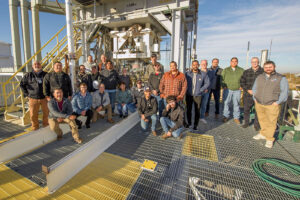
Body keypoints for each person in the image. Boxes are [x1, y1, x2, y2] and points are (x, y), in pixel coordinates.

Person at [252, 61, 289, 148]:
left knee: (271, 122)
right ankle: (263, 134)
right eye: (266, 67)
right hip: (259, 103)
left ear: (274, 67)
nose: (268, 69)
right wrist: (255, 98)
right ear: (264, 68)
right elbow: (254, 88)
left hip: (272, 104)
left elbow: (285, 92)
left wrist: (278, 102)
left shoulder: (280, 78)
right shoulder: (260, 77)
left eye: (270, 67)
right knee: (262, 120)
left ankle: (269, 139)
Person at [20, 61, 49, 130]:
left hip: (44, 98)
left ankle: (46, 125)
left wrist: (49, 95)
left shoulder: (46, 74)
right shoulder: (28, 75)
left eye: (38, 64)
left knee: (46, 113)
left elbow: (50, 85)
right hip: (33, 98)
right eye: (35, 64)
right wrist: (27, 94)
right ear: (32, 66)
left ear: (41, 66)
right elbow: (22, 85)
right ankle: (35, 127)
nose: (37, 65)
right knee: (33, 114)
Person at [185, 60, 210, 129]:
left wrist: (201, 90)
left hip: (198, 95)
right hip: (189, 95)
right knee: (189, 110)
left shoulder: (203, 74)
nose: (195, 66)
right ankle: (189, 123)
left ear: (198, 65)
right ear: (192, 66)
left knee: (197, 110)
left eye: (196, 65)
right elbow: (184, 82)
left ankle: (195, 125)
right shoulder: (187, 74)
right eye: (193, 65)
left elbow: (207, 83)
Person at [240, 57, 264, 129]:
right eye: (253, 62)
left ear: (258, 62)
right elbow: (242, 82)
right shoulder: (246, 71)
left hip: (259, 95)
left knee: (258, 110)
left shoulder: (263, 72)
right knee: (246, 109)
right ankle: (246, 123)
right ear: (251, 62)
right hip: (248, 94)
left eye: (256, 62)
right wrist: (248, 90)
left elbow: (265, 83)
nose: (254, 63)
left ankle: (256, 125)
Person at [221, 57, 244, 124]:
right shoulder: (226, 70)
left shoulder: (241, 70)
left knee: (236, 104)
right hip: (228, 89)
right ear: (230, 62)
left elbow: (244, 79)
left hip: (237, 90)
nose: (234, 62)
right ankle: (226, 116)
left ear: (237, 62)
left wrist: (242, 85)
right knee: (226, 103)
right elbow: (222, 78)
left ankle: (236, 117)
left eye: (235, 61)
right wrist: (223, 86)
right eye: (233, 61)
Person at [199, 60, 214, 124]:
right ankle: (196, 117)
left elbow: (212, 81)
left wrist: (207, 88)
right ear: (200, 64)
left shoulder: (211, 72)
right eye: (202, 64)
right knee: (197, 105)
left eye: (205, 64)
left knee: (204, 105)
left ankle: (202, 117)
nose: (204, 65)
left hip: (206, 91)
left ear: (207, 64)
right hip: (198, 91)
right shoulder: (198, 72)